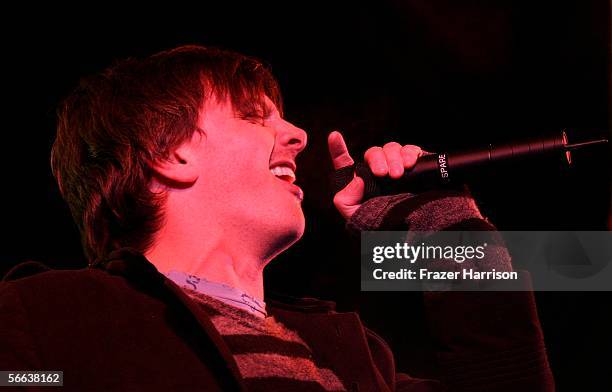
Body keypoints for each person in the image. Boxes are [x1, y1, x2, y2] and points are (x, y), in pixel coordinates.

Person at [0, 45, 554, 391]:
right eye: (252, 116)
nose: (299, 136)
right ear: (170, 155)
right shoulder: (45, 320)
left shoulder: (361, 360)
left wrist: (444, 228)